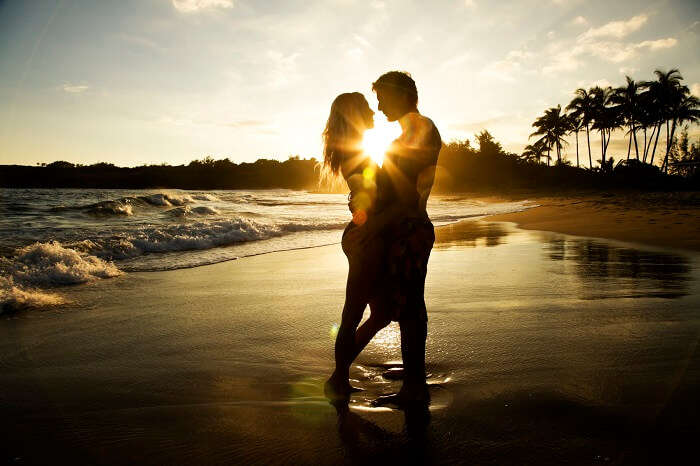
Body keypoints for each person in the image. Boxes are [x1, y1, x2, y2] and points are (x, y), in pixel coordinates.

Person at [324, 72, 441, 405]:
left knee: (396, 310)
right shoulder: (394, 141)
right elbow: (373, 194)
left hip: (404, 231)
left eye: (380, 99)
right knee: (386, 311)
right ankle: (346, 377)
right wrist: (368, 219)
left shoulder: (418, 130)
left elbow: (402, 196)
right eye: (370, 103)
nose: (377, 107)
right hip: (381, 236)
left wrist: (372, 220)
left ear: (400, 95)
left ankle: (410, 385)